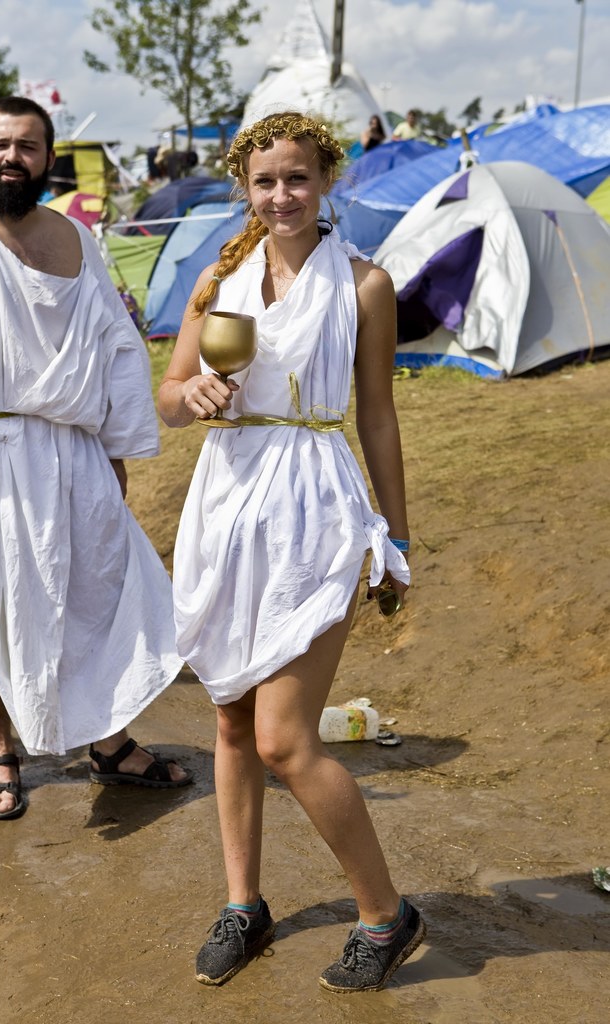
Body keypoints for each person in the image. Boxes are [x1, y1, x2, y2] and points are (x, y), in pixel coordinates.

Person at [158, 112, 426, 992]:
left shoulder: (364, 285)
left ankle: (387, 916)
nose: (282, 196)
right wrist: (189, 390)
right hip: (227, 500)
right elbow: (167, 396)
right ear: (244, 185)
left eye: (298, 179)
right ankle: (245, 904)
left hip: (314, 503)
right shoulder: (217, 276)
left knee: (283, 738)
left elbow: (378, 414)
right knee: (231, 717)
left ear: (327, 182)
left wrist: (396, 533)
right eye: (266, 181)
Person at [0, 96, 192, 821]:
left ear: (47, 159)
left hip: (69, 449)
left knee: (93, 593)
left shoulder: (80, 239)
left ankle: (108, 742)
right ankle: (0, 749)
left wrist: (117, 449)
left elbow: (115, 345)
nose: (12, 157)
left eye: (28, 146)